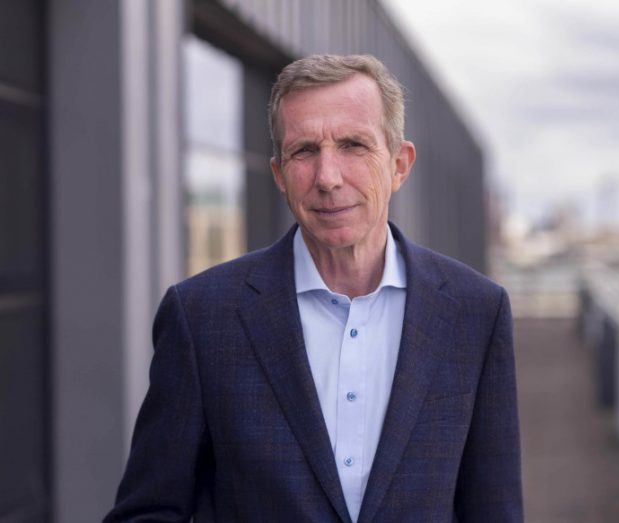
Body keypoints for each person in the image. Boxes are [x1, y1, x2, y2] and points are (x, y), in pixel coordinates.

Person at [105, 54, 522, 522]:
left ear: (400, 165)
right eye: (304, 151)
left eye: (352, 145)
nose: (327, 178)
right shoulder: (202, 316)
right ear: (280, 174)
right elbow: (148, 511)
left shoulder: (474, 313)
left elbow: (495, 512)